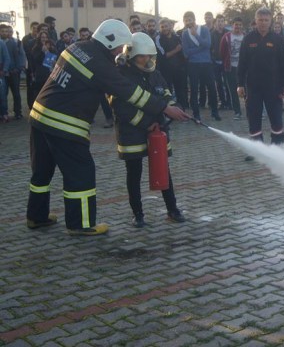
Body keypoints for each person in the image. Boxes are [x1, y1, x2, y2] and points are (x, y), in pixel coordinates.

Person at [26, 19, 189, 236]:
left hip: (39, 116)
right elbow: (130, 92)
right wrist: (165, 109)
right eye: (120, 47)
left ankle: (36, 216)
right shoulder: (101, 64)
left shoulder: (76, 47)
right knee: (81, 172)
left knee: (42, 171)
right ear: (110, 41)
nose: (120, 52)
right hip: (63, 123)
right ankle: (80, 224)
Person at [111, 32, 186, 227]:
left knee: (163, 169)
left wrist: (174, 107)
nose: (147, 60)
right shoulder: (121, 75)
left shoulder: (154, 72)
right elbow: (121, 107)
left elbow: (165, 92)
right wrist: (147, 123)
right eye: (143, 56)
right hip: (132, 132)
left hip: (157, 130)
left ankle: (172, 209)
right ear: (132, 55)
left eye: (150, 56)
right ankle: (138, 214)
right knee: (134, 172)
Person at [237, 6, 284, 160]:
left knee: (276, 118)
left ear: (270, 21)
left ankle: (277, 148)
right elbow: (242, 64)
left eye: (266, 20)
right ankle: (256, 150)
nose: (263, 23)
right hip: (253, 87)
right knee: (253, 119)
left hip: (274, 87)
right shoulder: (248, 39)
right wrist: (240, 84)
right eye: (260, 20)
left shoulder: (277, 39)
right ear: (255, 20)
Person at [181, 11, 220, 122]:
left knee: (212, 88)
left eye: (190, 19)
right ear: (184, 22)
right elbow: (186, 53)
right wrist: (201, 48)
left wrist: (196, 36)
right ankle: (196, 114)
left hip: (206, 63)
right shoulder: (184, 34)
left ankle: (215, 112)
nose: (188, 22)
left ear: (194, 19)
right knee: (194, 89)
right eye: (186, 20)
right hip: (193, 65)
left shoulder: (204, 30)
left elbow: (208, 44)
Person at [155, 18, 188, 110]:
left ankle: (183, 111)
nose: (165, 28)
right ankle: (169, 113)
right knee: (167, 92)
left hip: (179, 70)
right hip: (165, 71)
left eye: (166, 26)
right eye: (162, 27)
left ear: (170, 26)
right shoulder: (158, 39)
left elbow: (183, 52)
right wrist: (176, 50)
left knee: (180, 91)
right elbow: (162, 56)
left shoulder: (177, 37)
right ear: (160, 28)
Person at [220, 17, 245, 120]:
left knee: (246, 89)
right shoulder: (226, 37)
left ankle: (250, 110)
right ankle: (237, 112)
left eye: (239, 24)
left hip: (243, 68)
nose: (237, 26)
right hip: (230, 68)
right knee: (233, 91)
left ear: (242, 26)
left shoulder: (245, 37)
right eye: (236, 24)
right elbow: (222, 52)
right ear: (232, 25)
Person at [1, 24, 26, 120]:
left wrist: (18, 68)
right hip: (3, 72)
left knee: (16, 93)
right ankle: (4, 112)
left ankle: (18, 112)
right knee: (3, 93)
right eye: (3, 31)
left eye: (7, 31)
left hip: (13, 72)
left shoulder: (13, 43)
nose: (5, 33)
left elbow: (18, 56)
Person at [29, 31, 57, 107]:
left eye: (45, 37)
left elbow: (55, 59)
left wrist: (49, 51)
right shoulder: (36, 48)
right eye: (42, 37)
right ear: (39, 38)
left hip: (50, 73)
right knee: (39, 92)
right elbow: (36, 59)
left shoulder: (52, 47)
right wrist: (42, 52)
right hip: (40, 74)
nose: (44, 39)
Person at [211, 14, 230, 110]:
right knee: (218, 84)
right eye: (218, 21)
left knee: (228, 83)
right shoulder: (211, 34)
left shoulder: (228, 33)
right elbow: (210, 48)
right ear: (215, 23)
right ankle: (222, 102)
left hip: (226, 62)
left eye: (222, 21)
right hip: (215, 62)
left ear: (224, 23)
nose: (220, 23)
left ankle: (229, 103)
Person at [0, 34, 9, 123]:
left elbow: (7, 58)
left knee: (2, 95)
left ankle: (4, 113)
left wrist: (4, 70)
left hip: (0, 72)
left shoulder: (1, 43)